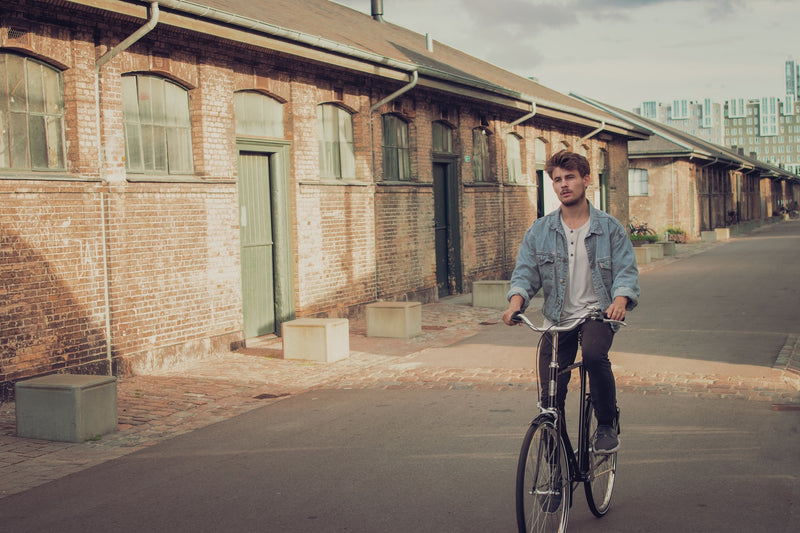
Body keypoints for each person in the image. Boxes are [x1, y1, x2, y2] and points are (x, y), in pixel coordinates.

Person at [502, 150, 640, 454]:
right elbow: (526, 273)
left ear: (586, 180)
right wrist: (515, 303)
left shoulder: (609, 228)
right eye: (557, 179)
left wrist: (619, 299)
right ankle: (554, 471)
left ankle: (605, 423)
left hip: (597, 313)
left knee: (592, 355)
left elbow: (626, 271)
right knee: (550, 397)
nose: (563, 184)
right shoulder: (540, 231)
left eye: (570, 177)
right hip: (557, 317)